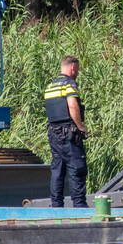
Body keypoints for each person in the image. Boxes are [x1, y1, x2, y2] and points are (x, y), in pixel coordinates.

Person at [43, 55, 88, 208]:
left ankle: (56, 205)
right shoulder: (69, 85)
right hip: (69, 132)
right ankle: (80, 206)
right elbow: (73, 106)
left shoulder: (50, 87)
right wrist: (80, 126)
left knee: (57, 170)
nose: (77, 73)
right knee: (77, 168)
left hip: (54, 133)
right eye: (77, 69)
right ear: (73, 68)